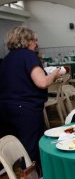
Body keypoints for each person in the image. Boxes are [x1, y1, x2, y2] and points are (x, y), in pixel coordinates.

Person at [0, 26, 62, 167]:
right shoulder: (28, 55)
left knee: (17, 147)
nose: (36, 44)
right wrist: (54, 74)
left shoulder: (7, 59)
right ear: (27, 41)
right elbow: (42, 82)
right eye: (35, 40)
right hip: (25, 110)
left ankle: (21, 176)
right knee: (30, 150)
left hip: (5, 109)